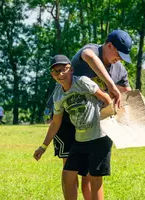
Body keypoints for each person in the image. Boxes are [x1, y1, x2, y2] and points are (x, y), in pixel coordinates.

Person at [47, 29, 133, 199]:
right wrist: (110, 85)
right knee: (70, 170)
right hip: (66, 118)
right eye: (119, 54)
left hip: (92, 125)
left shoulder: (120, 70)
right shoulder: (92, 50)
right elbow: (88, 55)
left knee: (88, 173)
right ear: (109, 45)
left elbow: (128, 94)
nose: (120, 59)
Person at [34, 54, 114, 200]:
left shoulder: (83, 82)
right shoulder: (58, 95)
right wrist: (43, 146)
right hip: (80, 140)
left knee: (95, 179)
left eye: (64, 69)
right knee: (68, 175)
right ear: (52, 75)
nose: (61, 74)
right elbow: (56, 123)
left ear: (71, 70)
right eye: (56, 71)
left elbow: (106, 99)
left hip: (99, 138)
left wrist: (108, 126)